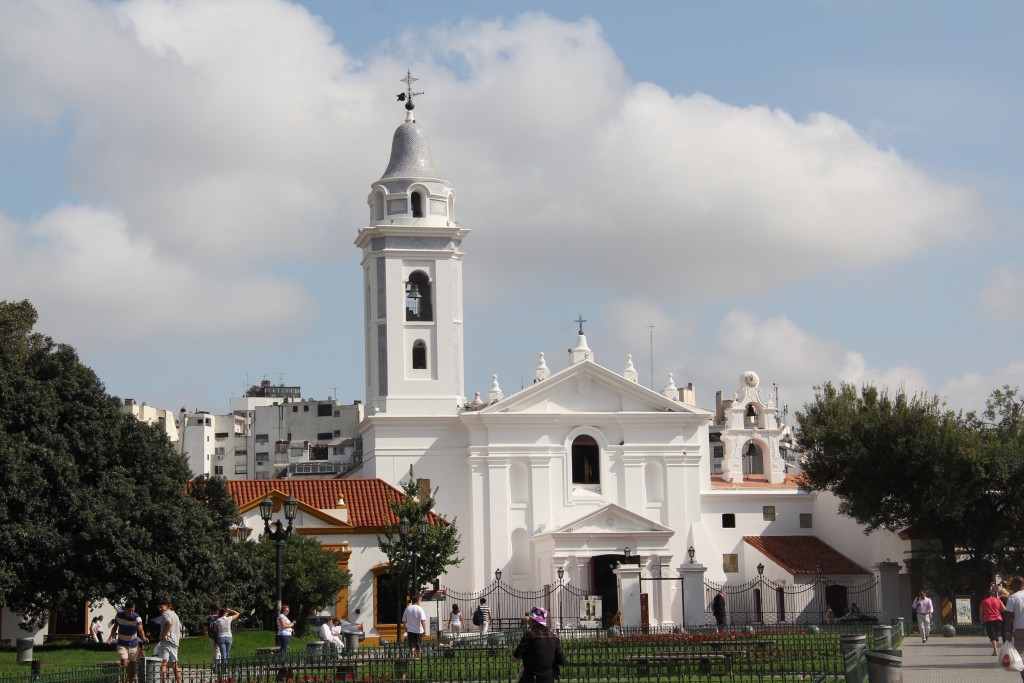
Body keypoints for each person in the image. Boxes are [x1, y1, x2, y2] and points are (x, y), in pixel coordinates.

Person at [512, 606, 565, 683]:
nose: (529, 621)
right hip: (548, 678)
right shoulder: (554, 637)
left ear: (534, 621)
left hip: (530, 678)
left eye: (530, 619)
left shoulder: (529, 636)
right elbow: (562, 661)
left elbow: (515, 657)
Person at [106, 600, 148, 683]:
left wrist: (143, 637)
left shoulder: (137, 618)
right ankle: (125, 679)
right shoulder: (119, 615)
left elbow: (140, 628)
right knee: (124, 662)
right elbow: (115, 627)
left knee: (132, 666)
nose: (131, 612)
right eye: (129, 610)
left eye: (133, 610)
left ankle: (130, 680)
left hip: (133, 644)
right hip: (122, 643)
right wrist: (111, 637)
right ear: (125, 609)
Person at [152, 598, 182, 683]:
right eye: (159, 607)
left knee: (163, 663)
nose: (160, 609)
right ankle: (179, 681)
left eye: (161, 607)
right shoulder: (175, 614)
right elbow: (179, 627)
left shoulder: (165, 614)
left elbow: (169, 623)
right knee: (174, 664)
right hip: (175, 641)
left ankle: (163, 681)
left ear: (167, 606)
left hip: (166, 641)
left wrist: (164, 635)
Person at [1004, 576, 1024, 683]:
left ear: (1015, 585)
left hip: (1019, 630)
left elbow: (1009, 616)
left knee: (1020, 655)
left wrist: (1008, 632)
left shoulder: (1013, 597)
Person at [980, 588, 1005, 656]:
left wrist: (981, 621)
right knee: (995, 634)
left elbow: (981, 613)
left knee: (992, 636)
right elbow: (1003, 609)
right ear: (992, 594)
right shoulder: (998, 600)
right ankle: (996, 649)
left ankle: (995, 651)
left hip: (988, 620)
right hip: (998, 619)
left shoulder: (983, 601)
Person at [402, 594, 428, 659]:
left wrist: (406, 628)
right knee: (418, 643)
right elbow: (423, 620)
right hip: (419, 630)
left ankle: (412, 655)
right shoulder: (420, 609)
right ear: (418, 601)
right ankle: (419, 656)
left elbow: (404, 620)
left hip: (410, 630)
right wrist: (425, 630)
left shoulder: (407, 608)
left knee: (412, 644)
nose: (420, 602)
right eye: (420, 601)